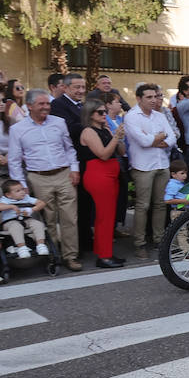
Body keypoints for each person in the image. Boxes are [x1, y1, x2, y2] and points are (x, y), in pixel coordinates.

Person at [9, 89, 82, 271]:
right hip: (38, 177)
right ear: (29, 106)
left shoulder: (59, 122)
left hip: (64, 173)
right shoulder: (17, 129)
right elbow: (14, 160)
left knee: (70, 218)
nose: (46, 107)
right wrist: (21, 185)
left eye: (47, 103)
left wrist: (74, 168)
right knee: (47, 219)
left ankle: (71, 256)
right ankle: (53, 255)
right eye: (41, 104)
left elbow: (69, 148)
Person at [124, 82, 173, 259]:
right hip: (143, 167)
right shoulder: (131, 117)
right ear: (139, 99)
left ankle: (159, 239)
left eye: (155, 96)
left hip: (162, 164)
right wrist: (160, 137)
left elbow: (172, 137)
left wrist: (155, 139)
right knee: (142, 206)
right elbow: (143, 142)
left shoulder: (159, 116)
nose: (153, 100)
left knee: (160, 204)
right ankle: (140, 243)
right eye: (149, 97)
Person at [78, 95, 125, 268]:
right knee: (105, 217)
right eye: (100, 112)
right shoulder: (88, 132)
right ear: (90, 114)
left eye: (105, 111)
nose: (104, 114)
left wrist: (117, 136)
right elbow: (103, 154)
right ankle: (104, 256)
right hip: (99, 175)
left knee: (106, 216)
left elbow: (121, 151)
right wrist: (115, 137)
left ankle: (103, 252)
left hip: (110, 175)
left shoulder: (105, 129)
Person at [0, 180, 51, 260]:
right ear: (8, 195)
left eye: (22, 189)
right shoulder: (5, 200)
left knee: (38, 224)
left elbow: (42, 203)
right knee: (16, 226)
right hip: (10, 222)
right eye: (18, 191)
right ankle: (22, 248)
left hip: (26, 219)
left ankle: (41, 245)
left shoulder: (26, 198)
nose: (22, 192)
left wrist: (32, 210)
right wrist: (11, 206)